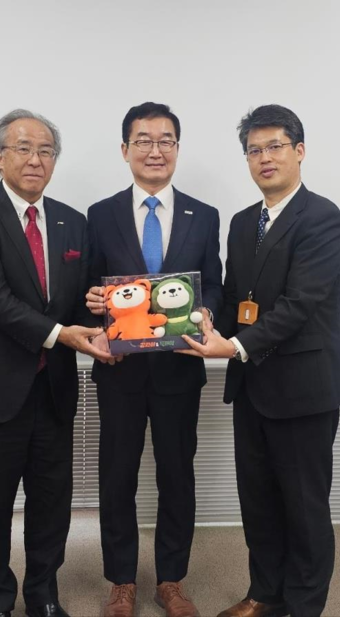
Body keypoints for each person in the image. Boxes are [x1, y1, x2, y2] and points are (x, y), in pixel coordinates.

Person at [179, 104, 340, 617]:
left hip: (303, 389)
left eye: (275, 146)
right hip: (251, 387)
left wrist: (234, 347)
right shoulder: (242, 222)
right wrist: (207, 322)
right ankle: (265, 594)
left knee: (304, 506)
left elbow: (300, 304)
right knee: (258, 501)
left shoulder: (321, 218)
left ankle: (303, 606)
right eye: (254, 150)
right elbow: (237, 298)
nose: (264, 158)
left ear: (299, 151)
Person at [0, 109, 110, 617]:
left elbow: (79, 301)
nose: (36, 159)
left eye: (46, 151)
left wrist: (98, 314)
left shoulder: (71, 221)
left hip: (52, 389)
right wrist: (61, 334)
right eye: (23, 148)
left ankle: (43, 593)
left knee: (52, 502)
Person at [85, 102, 223, 617]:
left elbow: (216, 286)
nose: (155, 150)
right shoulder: (99, 214)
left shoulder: (204, 215)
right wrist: (93, 307)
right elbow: (88, 289)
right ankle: (121, 582)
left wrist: (206, 311)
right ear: (125, 150)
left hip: (179, 371)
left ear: (177, 149)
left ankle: (171, 580)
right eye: (143, 140)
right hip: (118, 371)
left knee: (176, 476)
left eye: (166, 140)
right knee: (116, 476)